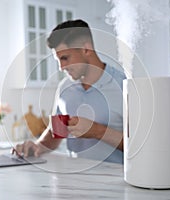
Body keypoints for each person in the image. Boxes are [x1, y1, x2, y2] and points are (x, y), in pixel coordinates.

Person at [13, 19, 126, 163]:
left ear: (86, 49)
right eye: (58, 60)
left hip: (115, 182)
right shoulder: (65, 87)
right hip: (73, 180)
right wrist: (36, 146)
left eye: (65, 58)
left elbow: (139, 145)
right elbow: (56, 132)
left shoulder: (124, 85)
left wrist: (97, 131)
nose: (61, 67)